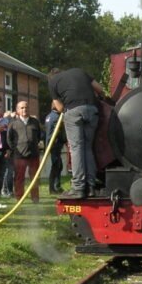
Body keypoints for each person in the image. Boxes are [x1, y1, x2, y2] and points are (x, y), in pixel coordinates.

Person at [48, 68, 104, 198]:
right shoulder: (80, 71)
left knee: (76, 148)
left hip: (73, 112)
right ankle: (90, 186)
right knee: (87, 148)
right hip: (92, 110)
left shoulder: (52, 82)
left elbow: (60, 108)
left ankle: (78, 187)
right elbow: (100, 89)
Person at [7, 100, 42, 203]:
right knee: (19, 178)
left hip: (33, 155)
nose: (24, 109)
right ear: (17, 110)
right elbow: (9, 139)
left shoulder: (35, 122)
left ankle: (35, 199)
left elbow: (39, 136)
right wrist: (14, 149)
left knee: (34, 178)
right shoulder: (13, 124)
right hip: (19, 156)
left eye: (26, 107)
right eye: (22, 108)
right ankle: (19, 198)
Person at [45, 102, 66, 194]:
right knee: (56, 166)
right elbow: (56, 133)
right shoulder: (57, 117)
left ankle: (56, 186)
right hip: (55, 145)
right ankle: (53, 188)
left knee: (58, 166)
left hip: (53, 144)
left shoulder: (49, 116)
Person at [0, 107, 14, 198]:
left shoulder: (5, 121)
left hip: (3, 149)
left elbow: (9, 136)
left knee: (1, 173)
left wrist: (8, 149)